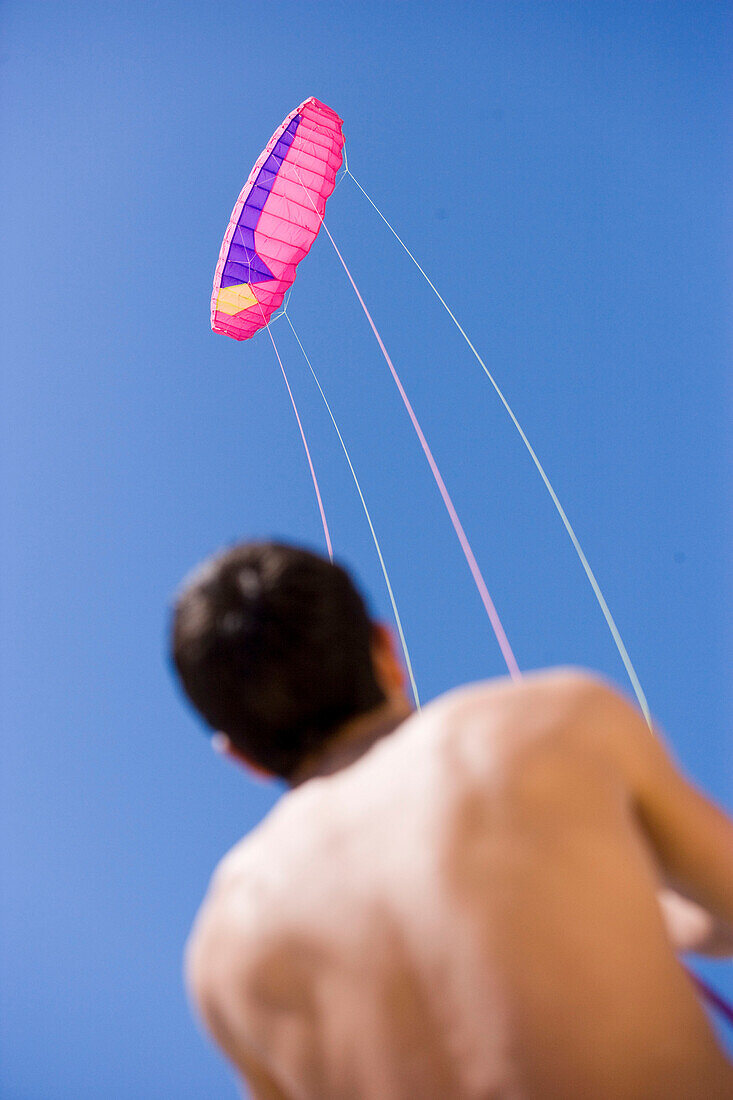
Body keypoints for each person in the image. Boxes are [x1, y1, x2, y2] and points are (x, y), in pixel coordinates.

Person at [171, 540, 733, 1099]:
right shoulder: (559, 720)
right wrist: (640, 904)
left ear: (239, 756)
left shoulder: (220, 955)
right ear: (385, 649)